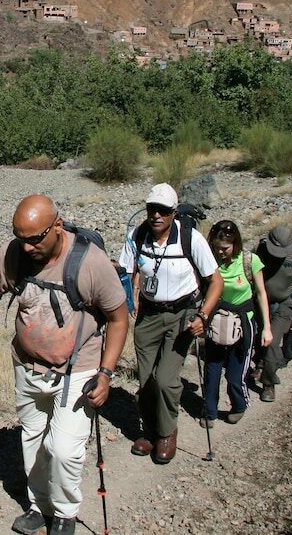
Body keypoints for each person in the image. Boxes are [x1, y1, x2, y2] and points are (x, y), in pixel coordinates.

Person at [0, 195, 128, 535]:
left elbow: (119, 319)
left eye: (35, 239)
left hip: (77, 369)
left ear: (57, 225)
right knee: (33, 441)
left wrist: (106, 373)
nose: (26, 247)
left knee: (64, 450)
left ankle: (65, 513)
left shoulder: (90, 263)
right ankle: (40, 506)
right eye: (20, 238)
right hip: (26, 365)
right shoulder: (16, 252)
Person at [117, 183, 222, 463]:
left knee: (165, 380)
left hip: (182, 315)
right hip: (148, 316)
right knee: (146, 379)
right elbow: (124, 274)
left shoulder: (191, 239)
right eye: (152, 209)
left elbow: (215, 281)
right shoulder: (136, 237)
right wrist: (127, 301)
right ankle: (149, 431)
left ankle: (166, 432)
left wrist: (203, 315)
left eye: (163, 211)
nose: (156, 216)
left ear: (174, 213)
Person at [202, 220, 271, 424]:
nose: (220, 252)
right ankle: (209, 411)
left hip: (243, 322)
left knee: (235, 372)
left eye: (225, 248)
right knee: (212, 370)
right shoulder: (209, 261)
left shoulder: (250, 261)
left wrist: (267, 327)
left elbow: (260, 293)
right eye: (216, 247)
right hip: (216, 319)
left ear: (235, 244)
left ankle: (239, 404)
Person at [255, 225, 292, 402]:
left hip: (285, 304)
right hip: (260, 302)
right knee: (260, 338)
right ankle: (262, 363)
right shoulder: (259, 250)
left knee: (272, 341)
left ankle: (268, 383)